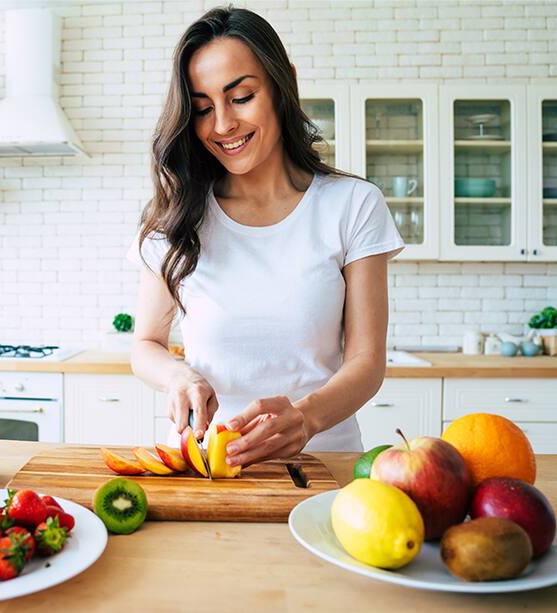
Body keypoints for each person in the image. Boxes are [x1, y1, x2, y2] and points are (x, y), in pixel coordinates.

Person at [126, 6, 404, 468]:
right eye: (202, 108)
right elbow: (145, 346)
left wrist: (306, 418)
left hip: (323, 465)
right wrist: (178, 377)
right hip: (209, 465)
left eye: (241, 97)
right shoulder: (176, 216)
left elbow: (366, 362)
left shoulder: (352, 205)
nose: (222, 125)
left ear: (284, 84)